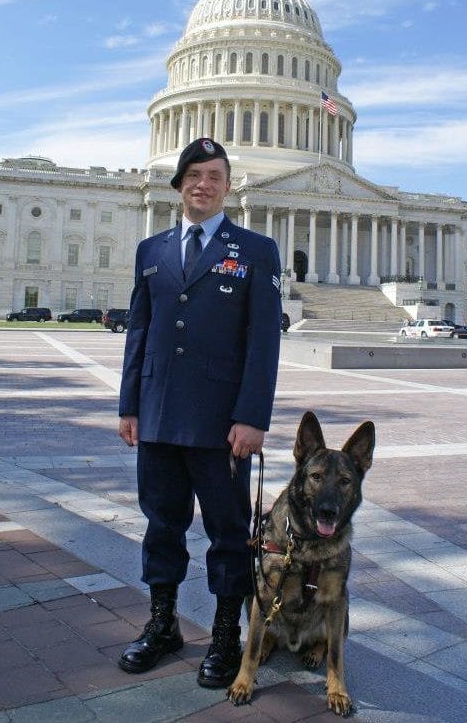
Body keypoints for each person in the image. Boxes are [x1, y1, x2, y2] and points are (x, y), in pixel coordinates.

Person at [117, 137, 282, 689]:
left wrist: (252, 416)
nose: (203, 184)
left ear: (228, 186)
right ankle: (162, 624)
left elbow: (263, 342)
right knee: (161, 526)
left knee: (227, 533)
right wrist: (129, 406)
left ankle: (224, 636)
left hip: (221, 423)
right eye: (193, 175)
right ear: (179, 184)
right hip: (159, 414)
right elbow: (139, 331)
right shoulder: (153, 250)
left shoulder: (255, 250)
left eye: (213, 175)